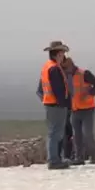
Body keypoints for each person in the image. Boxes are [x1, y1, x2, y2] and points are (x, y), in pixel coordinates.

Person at [61, 57, 95, 165]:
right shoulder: (67, 77)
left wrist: (89, 94)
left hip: (88, 109)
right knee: (77, 135)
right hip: (75, 110)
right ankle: (79, 158)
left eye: (65, 67)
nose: (64, 69)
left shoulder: (84, 74)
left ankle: (94, 157)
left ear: (70, 64)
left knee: (88, 134)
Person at [38, 41, 71, 169]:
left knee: (54, 132)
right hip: (56, 105)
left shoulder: (47, 66)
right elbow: (58, 90)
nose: (63, 55)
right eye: (62, 53)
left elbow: (41, 88)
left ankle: (55, 158)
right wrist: (65, 105)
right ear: (57, 54)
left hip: (49, 103)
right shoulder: (54, 69)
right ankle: (54, 160)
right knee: (56, 133)